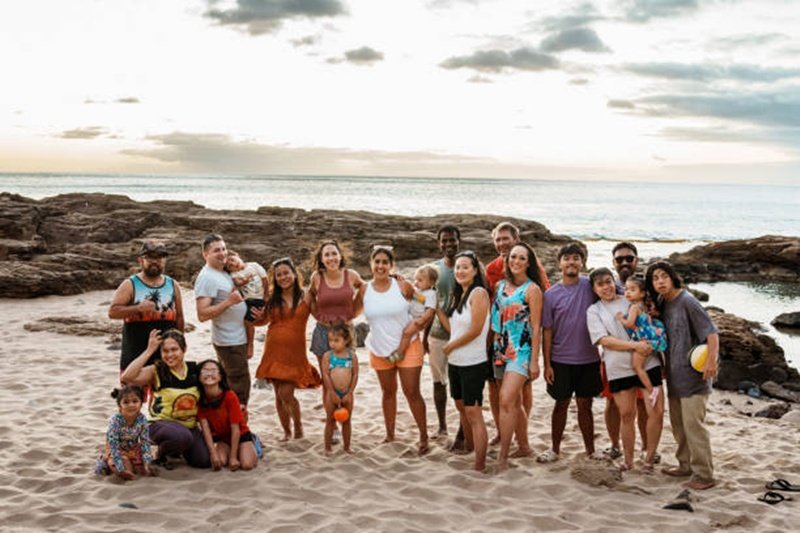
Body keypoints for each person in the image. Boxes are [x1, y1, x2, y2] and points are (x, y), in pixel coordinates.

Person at [646, 261, 719, 490]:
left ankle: (704, 475)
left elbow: (712, 333)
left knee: (694, 426)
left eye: (663, 276)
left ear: (672, 277)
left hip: (695, 378)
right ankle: (685, 465)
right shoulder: (662, 303)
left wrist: (711, 362)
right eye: (655, 278)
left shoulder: (687, 301)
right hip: (675, 376)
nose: (660, 281)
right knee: (679, 426)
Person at [586, 268, 664, 473]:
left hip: (649, 363)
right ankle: (628, 461)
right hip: (619, 368)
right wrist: (634, 346)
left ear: (614, 281)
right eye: (600, 284)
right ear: (594, 289)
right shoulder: (594, 311)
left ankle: (648, 459)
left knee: (655, 411)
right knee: (627, 415)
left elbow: (652, 316)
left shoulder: (630, 298)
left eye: (608, 281)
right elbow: (603, 340)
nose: (606, 287)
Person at [484, 222, 550, 446]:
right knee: (495, 388)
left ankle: (521, 432)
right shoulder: (492, 269)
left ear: (516, 239)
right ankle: (503, 432)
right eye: (498, 240)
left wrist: (537, 356)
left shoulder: (532, 269)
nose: (502, 243)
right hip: (498, 339)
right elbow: (490, 302)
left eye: (506, 239)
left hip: (521, 343)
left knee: (522, 390)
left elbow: (542, 298)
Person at [359, 245, 429, 455]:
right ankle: (390, 434)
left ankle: (424, 436)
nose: (380, 266)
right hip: (380, 349)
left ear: (391, 265)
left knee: (412, 392)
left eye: (384, 262)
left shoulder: (403, 286)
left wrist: (417, 326)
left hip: (408, 346)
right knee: (388, 393)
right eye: (377, 262)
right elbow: (351, 311)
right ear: (371, 264)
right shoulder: (364, 289)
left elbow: (423, 305)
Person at [538, 242, 602, 463]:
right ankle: (554, 449)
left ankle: (591, 451)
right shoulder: (551, 295)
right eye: (567, 258)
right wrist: (546, 364)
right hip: (560, 360)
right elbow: (547, 331)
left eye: (576, 258)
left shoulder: (591, 286)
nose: (571, 261)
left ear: (582, 262)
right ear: (560, 264)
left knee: (586, 406)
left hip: (589, 359)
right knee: (561, 404)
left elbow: (615, 294)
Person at [434, 250, 491, 471]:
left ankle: (480, 463)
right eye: (457, 267)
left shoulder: (478, 293)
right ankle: (470, 447)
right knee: (462, 409)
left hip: (473, 363)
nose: (460, 271)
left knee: (474, 412)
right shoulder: (461, 295)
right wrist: (437, 310)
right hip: (456, 363)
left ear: (475, 270)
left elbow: (476, 330)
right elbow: (454, 329)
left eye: (465, 267)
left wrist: (451, 346)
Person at [121, 329, 210, 469]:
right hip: (158, 425)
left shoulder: (194, 370)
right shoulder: (157, 370)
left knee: (203, 461)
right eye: (165, 351)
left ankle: (177, 448)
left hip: (189, 427)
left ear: (184, 349)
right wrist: (149, 350)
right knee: (181, 436)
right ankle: (162, 454)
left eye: (174, 350)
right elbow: (127, 377)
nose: (169, 355)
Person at [254, 257, 321, 441]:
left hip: (295, 352)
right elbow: (262, 321)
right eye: (279, 275)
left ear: (294, 274)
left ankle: (298, 426)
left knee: (286, 393)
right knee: (278, 395)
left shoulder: (306, 295)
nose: (283, 277)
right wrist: (258, 317)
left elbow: (319, 316)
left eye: (286, 273)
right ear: (275, 278)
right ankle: (287, 431)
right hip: (273, 349)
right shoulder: (271, 297)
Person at [491, 243, 544, 471]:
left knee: (505, 399)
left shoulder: (533, 290)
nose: (516, 261)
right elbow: (495, 322)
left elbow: (536, 327)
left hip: (521, 352)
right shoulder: (499, 286)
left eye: (522, 258)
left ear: (528, 263)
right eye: (513, 257)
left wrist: (534, 361)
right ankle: (523, 447)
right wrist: (492, 350)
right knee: (515, 402)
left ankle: (503, 456)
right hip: (500, 349)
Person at [602, 241, 651, 462]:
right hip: (612, 357)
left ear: (636, 261)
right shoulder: (608, 288)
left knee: (643, 403)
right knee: (612, 402)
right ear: (613, 262)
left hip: (645, 356)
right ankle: (614, 445)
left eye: (629, 258)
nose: (624, 263)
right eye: (619, 259)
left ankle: (647, 448)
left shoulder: (644, 289)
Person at [195, 234, 254, 408]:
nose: (222, 253)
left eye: (223, 249)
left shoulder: (222, 271)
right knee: (239, 387)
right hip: (229, 341)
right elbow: (202, 314)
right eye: (216, 250)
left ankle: (234, 425)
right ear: (205, 255)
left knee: (233, 385)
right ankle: (240, 428)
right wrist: (229, 302)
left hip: (237, 338)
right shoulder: (206, 277)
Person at [108, 239, 184, 371]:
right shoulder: (130, 284)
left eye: (159, 257)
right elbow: (112, 312)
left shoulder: (173, 285)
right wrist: (138, 308)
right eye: (150, 257)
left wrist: (180, 345)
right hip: (135, 354)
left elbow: (180, 318)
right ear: (141, 260)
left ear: (165, 260)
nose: (155, 261)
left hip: (166, 356)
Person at [423, 225, 460, 441]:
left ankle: (462, 428)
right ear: (439, 244)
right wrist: (423, 337)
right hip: (437, 335)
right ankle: (443, 426)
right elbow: (429, 304)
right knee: (439, 382)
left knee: (459, 384)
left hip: (463, 337)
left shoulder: (468, 266)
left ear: (459, 240)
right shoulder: (434, 270)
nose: (448, 244)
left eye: (452, 240)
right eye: (444, 241)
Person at [197, 359, 258, 471]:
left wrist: (233, 457)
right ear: (199, 377)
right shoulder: (200, 400)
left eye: (214, 370)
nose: (209, 374)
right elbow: (205, 429)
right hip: (223, 438)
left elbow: (235, 428)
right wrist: (213, 454)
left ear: (220, 377)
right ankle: (232, 451)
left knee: (246, 465)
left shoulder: (229, 396)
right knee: (220, 462)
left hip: (240, 434)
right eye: (205, 371)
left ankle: (254, 441)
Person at [616, 276, 667, 406]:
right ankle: (653, 388)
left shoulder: (634, 307)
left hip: (642, 341)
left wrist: (621, 318)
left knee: (637, 367)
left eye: (632, 289)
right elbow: (639, 325)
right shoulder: (644, 306)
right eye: (626, 289)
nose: (627, 292)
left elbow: (629, 323)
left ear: (642, 293)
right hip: (648, 338)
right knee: (640, 366)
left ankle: (651, 390)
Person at [96, 385, 153, 480]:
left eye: (135, 401)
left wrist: (147, 462)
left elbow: (145, 442)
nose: (131, 405)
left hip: (133, 448)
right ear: (120, 405)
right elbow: (113, 444)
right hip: (116, 448)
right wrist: (120, 468)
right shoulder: (116, 421)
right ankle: (105, 461)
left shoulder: (142, 419)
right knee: (126, 469)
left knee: (144, 470)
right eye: (126, 402)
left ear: (141, 404)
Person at [321, 323, 359, 454]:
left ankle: (347, 447)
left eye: (336, 340)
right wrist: (331, 392)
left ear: (346, 340)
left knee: (347, 421)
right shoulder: (327, 356)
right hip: (332, 393)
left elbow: (355, 374)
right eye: (330, 340)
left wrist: (350, 392)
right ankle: (327, 447)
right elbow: (325, 375)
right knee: (330, 420)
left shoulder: (351, 356)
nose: (332, 344)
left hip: (347, 393)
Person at [225, 250, 267, 359]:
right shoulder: (234, 274)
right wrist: (245, 280)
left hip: (258, 299)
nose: (233, 264)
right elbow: (237, 282)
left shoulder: (254, 265)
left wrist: (266, 296)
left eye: (232, 260)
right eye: (230, 266)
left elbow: (265, 279)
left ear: (237, 255)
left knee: (248, 321)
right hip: (247, 301)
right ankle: (241, 341)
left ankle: (250, 345)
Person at [393, 264, 437, 361]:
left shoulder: (431, 294)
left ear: (431, 282)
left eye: (420, 280)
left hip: (417, 319)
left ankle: (399, 353)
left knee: (406, 334)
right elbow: (411, 295)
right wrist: (401, 281)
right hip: (411, 317)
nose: (416, 282)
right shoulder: (420, 292)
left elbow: (430, 311)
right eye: (416, 279)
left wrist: (422, 320)